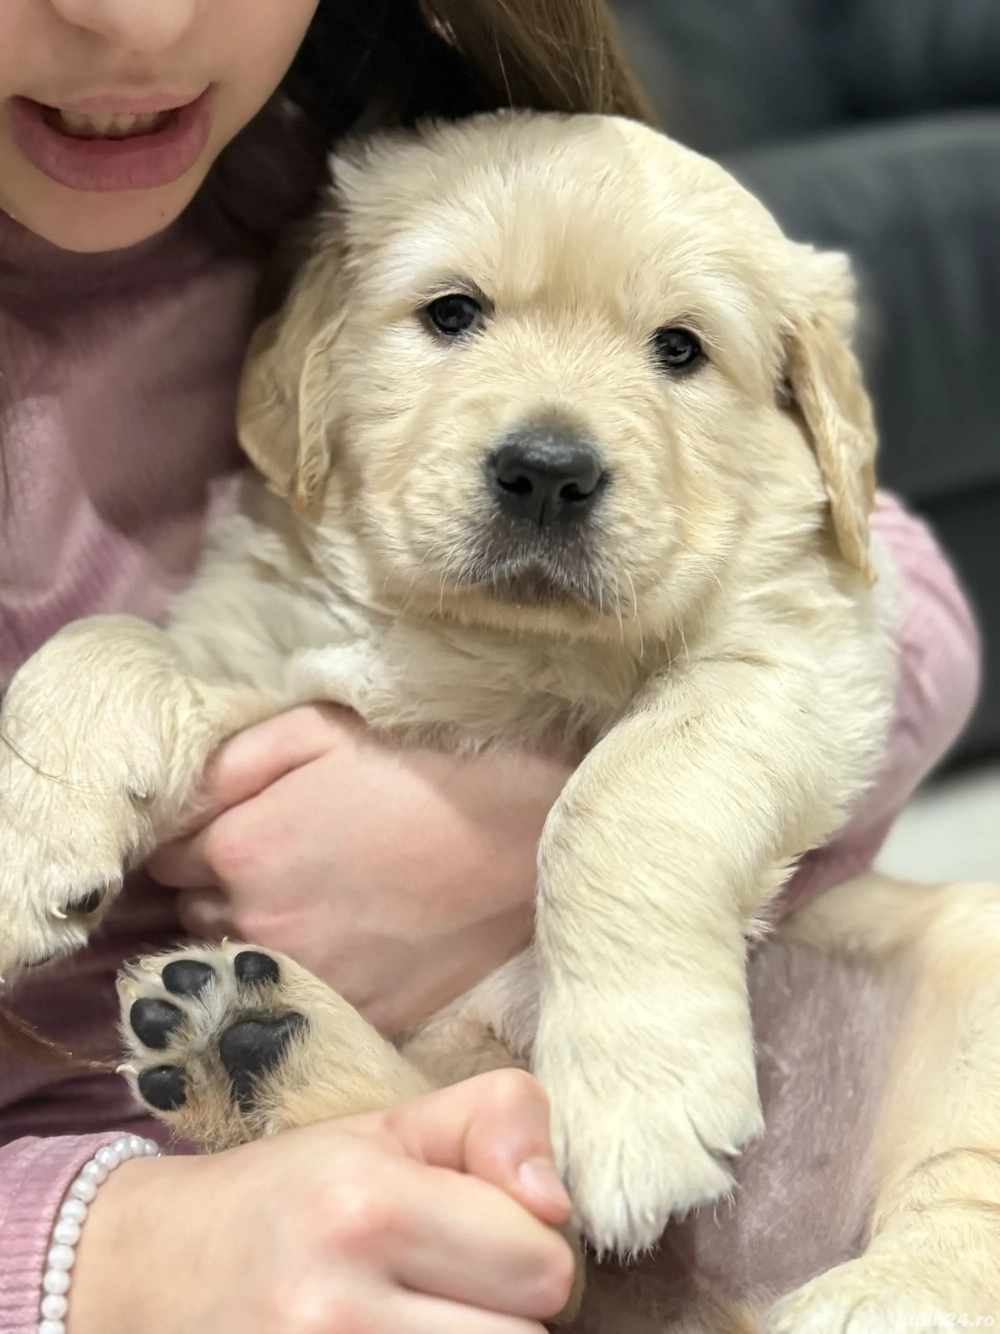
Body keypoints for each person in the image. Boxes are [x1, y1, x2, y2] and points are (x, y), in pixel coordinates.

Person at [0, 1, 980, 1330]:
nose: (550, 449)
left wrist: (553, 847)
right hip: (356, 1221)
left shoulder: (348, 130)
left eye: (676, 349)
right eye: (455, 313)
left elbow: (879, 610)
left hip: (827, 1099)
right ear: (302, 366)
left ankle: (942, 1272)